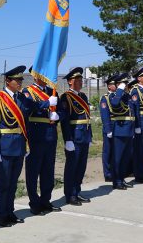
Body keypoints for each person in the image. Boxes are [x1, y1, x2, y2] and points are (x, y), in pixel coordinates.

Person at [0, 65, 52, 227]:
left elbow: (35, 106)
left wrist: (48, 102)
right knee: (4, 183)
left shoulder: (21, 98)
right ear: (8, 81)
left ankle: (10, 212)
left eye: (20, 80)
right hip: (4, 146)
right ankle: (1, 215)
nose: (20, 83)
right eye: (17, 80)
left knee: (13, 183)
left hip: (19, 145)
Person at [22, 67, 61, 216]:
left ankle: (46, 201)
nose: (45, 77)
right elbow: (27, 107)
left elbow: (62, 110)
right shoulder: (28, 92)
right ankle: (34, 203)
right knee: (33, 171)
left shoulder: (52, 92)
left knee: (48, 171)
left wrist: (58, 116)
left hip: (50, 135)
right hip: (36, 136)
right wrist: (46, 103)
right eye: (42, 74)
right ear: (35, 75)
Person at [58, 67, 93, 205]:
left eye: (81, 79)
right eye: (77, 80)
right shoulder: (66, 97)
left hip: (84, 136)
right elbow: (65, 120)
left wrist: (89, 136)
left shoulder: (83, 96)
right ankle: (70, 195)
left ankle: (77, 191)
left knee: (81, 167)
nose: (80, 82)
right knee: (72, 166)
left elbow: (86, 118)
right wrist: (68, 139)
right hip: (74, 136)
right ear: (70, 82)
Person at [108, 73, 135, 190]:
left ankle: (122, 179)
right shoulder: (114, 96)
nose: (125, 86)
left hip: (129, 130)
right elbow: (114, 104)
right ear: (118, 85)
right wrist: (119, 89)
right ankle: (116, 181)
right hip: (119, 130)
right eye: (123, 84)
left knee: (125, 158)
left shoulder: (127, 96)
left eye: (126, 84)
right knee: (118, 158)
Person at [98, 75, 116, 183]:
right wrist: (108, 129)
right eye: (114, 84)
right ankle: (107, 173)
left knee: (115, 151)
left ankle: (114, 171)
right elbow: (105, 115)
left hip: (118, 127)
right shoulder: (105, 98)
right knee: (107, 151)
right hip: (109, 126)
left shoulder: (118, 97)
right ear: (109, 86)